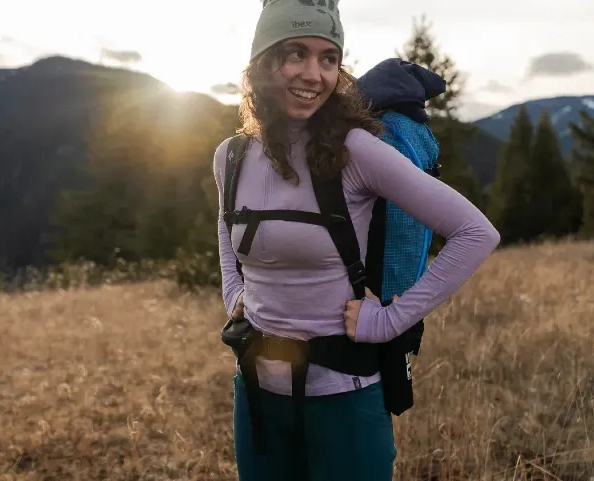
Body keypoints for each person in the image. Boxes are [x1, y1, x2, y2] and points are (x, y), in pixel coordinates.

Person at [212, 1, 501, 479]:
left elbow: (476, 233)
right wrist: (233, 293)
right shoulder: (232, 156)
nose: (314, 74)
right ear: (263, 62)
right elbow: (227, 226)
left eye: (329, 58)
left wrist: (389, 321)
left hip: (345, 397)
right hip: (257, 394)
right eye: (295, 54)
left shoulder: (357, 151)